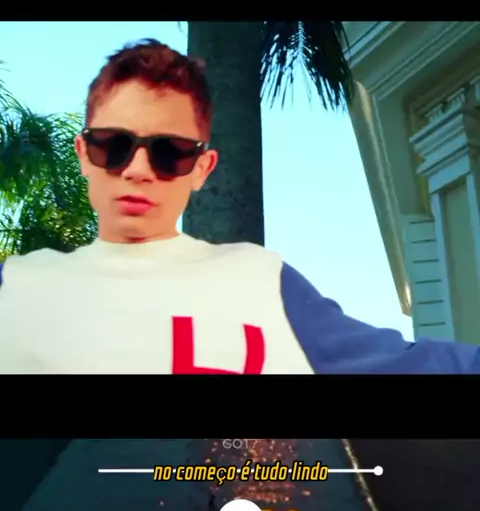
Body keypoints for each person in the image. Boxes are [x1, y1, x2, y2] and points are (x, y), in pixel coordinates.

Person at [1, 39, 479, 374]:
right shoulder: (21, 289)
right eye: (114, 145)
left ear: (201, 168)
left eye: (170, 152)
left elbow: (408, 366)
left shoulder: (261, 286)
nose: (138, 170)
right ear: (85, 154)